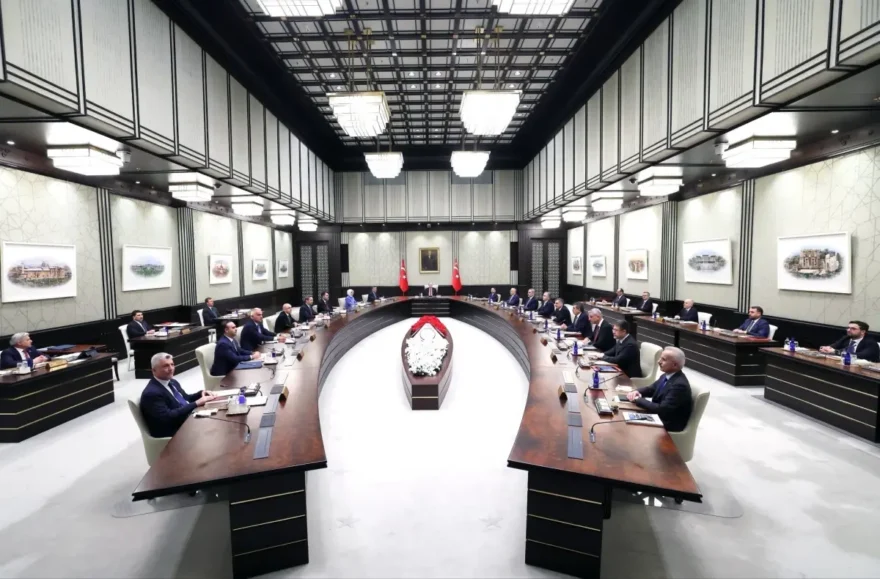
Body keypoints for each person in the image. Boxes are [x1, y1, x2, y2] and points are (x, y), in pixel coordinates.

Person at [140, 352, 216, 438]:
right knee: (213, 431)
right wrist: (196, 403)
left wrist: (201, 393)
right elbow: (167, 417)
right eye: (166, 366)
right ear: (154, 370)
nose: (171, 368)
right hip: (174, 432)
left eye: (172, 364)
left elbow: (186, 398)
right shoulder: (151, 394)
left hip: (187, 419)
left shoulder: (172, 382)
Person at [626, 346, 693, 432]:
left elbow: (661, 409)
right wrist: (636, 391)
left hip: (667, 423)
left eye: (663, 360)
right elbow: (651, 389)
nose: (659, 361)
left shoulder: (679, 386)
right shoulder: (666, 375)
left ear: (675, 365)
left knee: (628, 425)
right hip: (658, 416)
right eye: (660, 358)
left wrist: (638, 399)